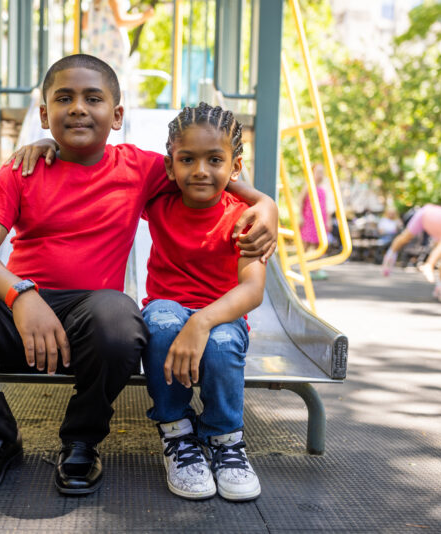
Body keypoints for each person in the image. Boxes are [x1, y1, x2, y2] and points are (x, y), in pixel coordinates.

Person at [0, 54, 278, 498]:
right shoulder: (22, 169)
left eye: (93, 98)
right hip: (19, 317)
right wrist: (21, 295)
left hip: (90, 327)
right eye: (64, 98)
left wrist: (266, 205)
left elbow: (208, 174)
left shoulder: (142, 169)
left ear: (117, 115)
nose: (78, 107)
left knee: (120, 317)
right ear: (45, 115)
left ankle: (82, 440)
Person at [139, 103, 266, 501]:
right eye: (187, 159)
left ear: (235, 165)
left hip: (223, 313)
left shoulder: (247, 217)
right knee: (160, 321)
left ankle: (226, 440)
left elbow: (252, 291)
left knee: (223, 342)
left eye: (215, 160)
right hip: (168, 305)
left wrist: (201, 322)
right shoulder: (158, 201)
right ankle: (177, 433)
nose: (199, 171)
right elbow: (95, 170)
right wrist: (43, 146)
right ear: (169, 165)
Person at [83, 0, 154, 88]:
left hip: (94, 51)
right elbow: (121, 20)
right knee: (114, 89)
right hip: (113, 50)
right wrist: (144, 16)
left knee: (97, 88)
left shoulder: (92, 3)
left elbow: (84, 25)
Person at [299, 163, 330, 279]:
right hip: (309, 219)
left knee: (319, 244)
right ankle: (305, 267)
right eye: (318, 173)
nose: (321, 176)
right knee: (306, 244)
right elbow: (301, 201)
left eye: (322, 173)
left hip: (320, 221)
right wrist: (300, 216)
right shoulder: (308, 186)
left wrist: (328, 221)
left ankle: (317, 268)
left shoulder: (322, 190)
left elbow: (325, 207)